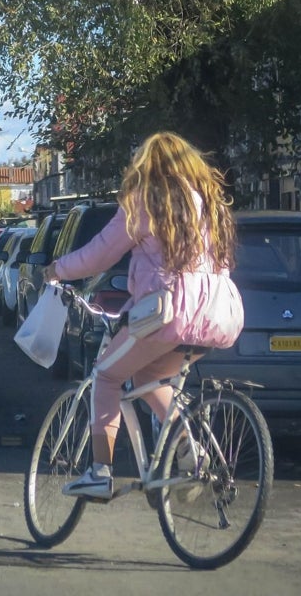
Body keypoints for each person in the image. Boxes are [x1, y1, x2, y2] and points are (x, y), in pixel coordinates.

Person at [42, 131, 237, 500]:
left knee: (106, 374)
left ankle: (99, 472)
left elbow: (100, 254)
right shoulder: (209, 204)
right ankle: (191, 454)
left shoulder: (144, 202)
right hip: (215, 314)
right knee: (148, 377)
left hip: (166, 313)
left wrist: (57, 270)